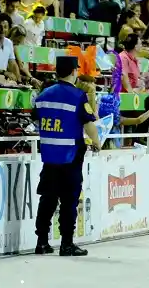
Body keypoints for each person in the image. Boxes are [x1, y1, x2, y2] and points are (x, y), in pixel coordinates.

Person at [33, 55, 100, 257]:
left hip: (49, 155)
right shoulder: (78, 96)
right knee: (69, 200)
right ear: (73, 72)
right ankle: (66, 243)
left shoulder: (43, 95)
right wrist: (96, 141)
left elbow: (36, 118)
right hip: (71, 155)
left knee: (48, 198)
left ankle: (42, 242)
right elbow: (89, 124)